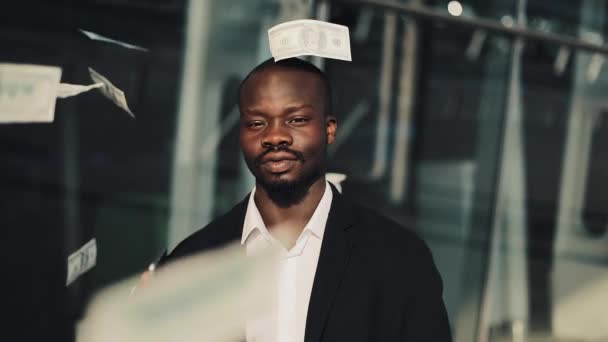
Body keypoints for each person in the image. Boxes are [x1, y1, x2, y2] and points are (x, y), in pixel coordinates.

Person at [159, 57, 452, 341]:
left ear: (329, 129)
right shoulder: (190, 262)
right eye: (257, 123)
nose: (275, 136)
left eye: (296, 119)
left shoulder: (399, 258)